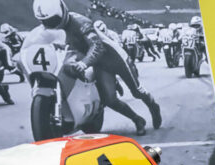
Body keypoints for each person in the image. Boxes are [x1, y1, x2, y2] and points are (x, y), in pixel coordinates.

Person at [32, 0, 162, 136]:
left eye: (53, 20)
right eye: (45, 21)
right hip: (99, 64)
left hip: (115, 58)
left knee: (137, 91)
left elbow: (97, 46)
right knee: (109, 99)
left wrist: (83, 63)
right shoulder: (54, 29)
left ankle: (153, 106)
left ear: (63, 11)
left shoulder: (80, 22)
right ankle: (138, 120)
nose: (50, 24)